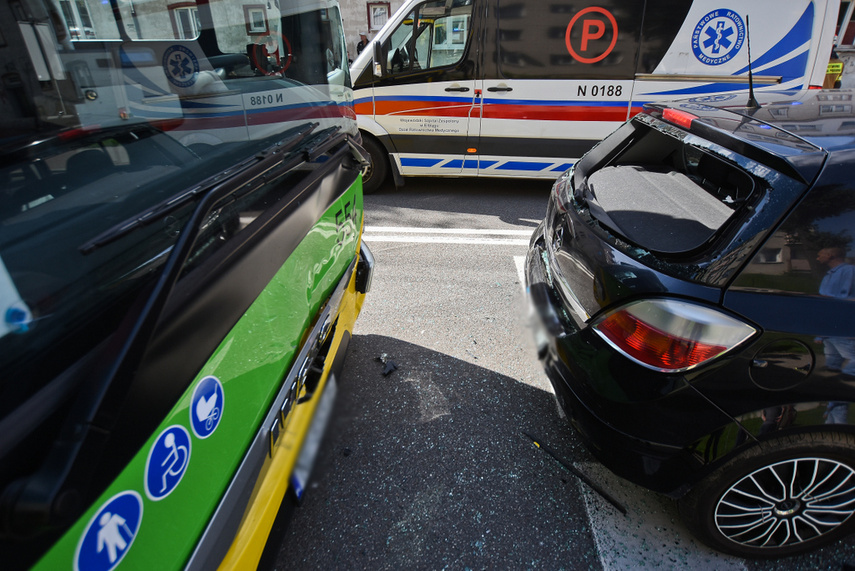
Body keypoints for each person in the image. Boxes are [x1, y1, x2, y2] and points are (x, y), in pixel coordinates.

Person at [815, 246, 855, 423]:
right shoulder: (829, 275)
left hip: (842, 330)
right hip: (829, 332)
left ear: (830, 255)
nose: (818, 258)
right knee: (832, 375)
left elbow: (845, 302)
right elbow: (824, 305)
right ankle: (832, 426)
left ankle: (836, 420)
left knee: (842, 378)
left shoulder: (848, 271)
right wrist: (821, 333)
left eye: (820, 254)